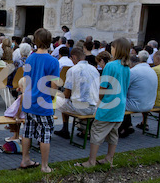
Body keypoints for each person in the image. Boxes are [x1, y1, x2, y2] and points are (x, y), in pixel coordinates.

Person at [75, 37, 131, 168]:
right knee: (113, 132)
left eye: (113, 47)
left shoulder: (111, 66)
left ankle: (91, 161)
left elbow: (103, 87)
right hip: (120, 104)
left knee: (96, 131)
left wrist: (98, 100)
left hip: (108, 104)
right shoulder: (126, 67)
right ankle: (109, 158)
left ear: (117, 49)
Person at [20, 28, 59, 173]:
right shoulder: (53, 61)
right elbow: (54, 85)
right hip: (44, 103)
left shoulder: (30, 58)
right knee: (45, 134)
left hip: (29, 100)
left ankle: (25, 159)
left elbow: (26, 80)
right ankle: (44, 166)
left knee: (27, 132)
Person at [54, 47, 100, 139]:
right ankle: (83, 128)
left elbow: (67, 95)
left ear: (74, 57)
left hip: (81, 108)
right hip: (94, 106)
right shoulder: (94, 70)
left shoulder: (73, 70)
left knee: (57, 99)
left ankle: (64, 128)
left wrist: (57, 94)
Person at [119, 51, 158, 137]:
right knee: (125, 100)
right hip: (150, 104)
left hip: (138, 105)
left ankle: (120, 128)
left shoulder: (133, 71)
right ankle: (128, 125)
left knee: (117, 101)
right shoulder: (151, 70)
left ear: (130, 63)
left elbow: (122, 88)